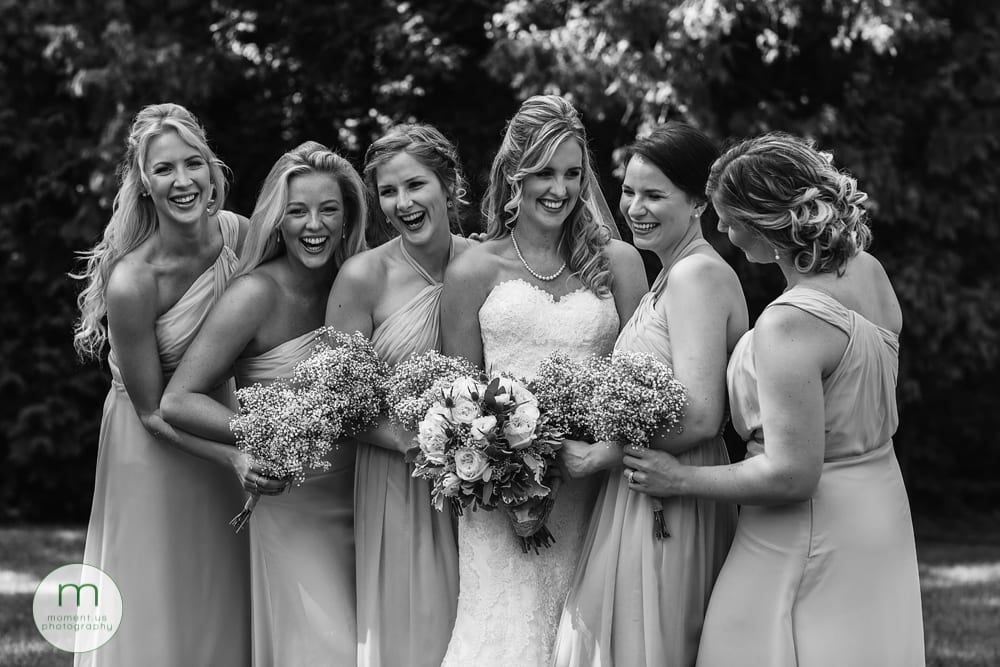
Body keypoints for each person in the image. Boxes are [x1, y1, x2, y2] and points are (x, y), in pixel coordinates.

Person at [622, 132, 925, 666]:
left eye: (730, 218)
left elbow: (792, 473)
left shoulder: (789, 323)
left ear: (765, 221)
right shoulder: (868, 272)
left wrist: (678, 479)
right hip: (878, 502)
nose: (721, 230)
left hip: (804, 524)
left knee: (740, 646)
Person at [438, 94, 648, 667]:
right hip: (501, 500)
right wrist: (505, 476)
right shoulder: (474, 271)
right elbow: (457, 398)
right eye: (545, 173)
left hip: (596, 486)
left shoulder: (619, 264)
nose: (560, 189)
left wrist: (601, 453)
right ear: (514, 175)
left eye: (573, 173)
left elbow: (645, 382)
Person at [160, 141, 368, 666]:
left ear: (348, 218)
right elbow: (178, 400)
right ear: (278, 219)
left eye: (328, 210)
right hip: (291, 502)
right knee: (328, 650)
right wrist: (267, 435)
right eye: (297, 211)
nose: (313, 225)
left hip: (369, 497)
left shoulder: (364, 282)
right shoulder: (255, 295)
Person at [71, 102, 260, 666]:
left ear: (211, 169)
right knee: (156, 590)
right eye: (164, 169)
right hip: (149, 440)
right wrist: (232, 456)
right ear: (144, 184)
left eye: (193, 163)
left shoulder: (238, 235)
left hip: (218, 416)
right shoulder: (133, 281)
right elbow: (152, 412)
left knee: (223, 583)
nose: (183, 181)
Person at [552, 122, 746, 666]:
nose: (636, 207)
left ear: (698, 202)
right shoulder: (672, 273)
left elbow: (704, 415)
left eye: (655, 195)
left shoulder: (696, 278)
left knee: (648, 641)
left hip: (668, 490)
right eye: (630, 191)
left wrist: (600, 454)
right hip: (644, 482)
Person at [324, 123, 475, 667]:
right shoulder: (363, 276)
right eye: (388, 191)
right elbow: (341, 404)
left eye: (416, 185)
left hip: (481, 479)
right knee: (413, 631)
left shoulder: (483, 264)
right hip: (398, 477)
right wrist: (423, 447)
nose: (403, 203)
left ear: (449, 184)